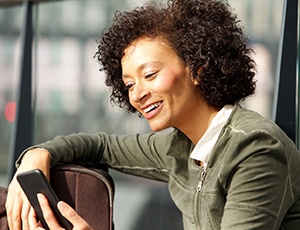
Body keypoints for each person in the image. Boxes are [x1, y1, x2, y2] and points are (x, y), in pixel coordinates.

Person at [5, 0, 300, 229]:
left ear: (197, 68)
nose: (137, 94)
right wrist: (37, 155)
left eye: (150, 74)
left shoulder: (255, 148)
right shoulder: (179, 146)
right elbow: (102, 146)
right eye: (129, 84)